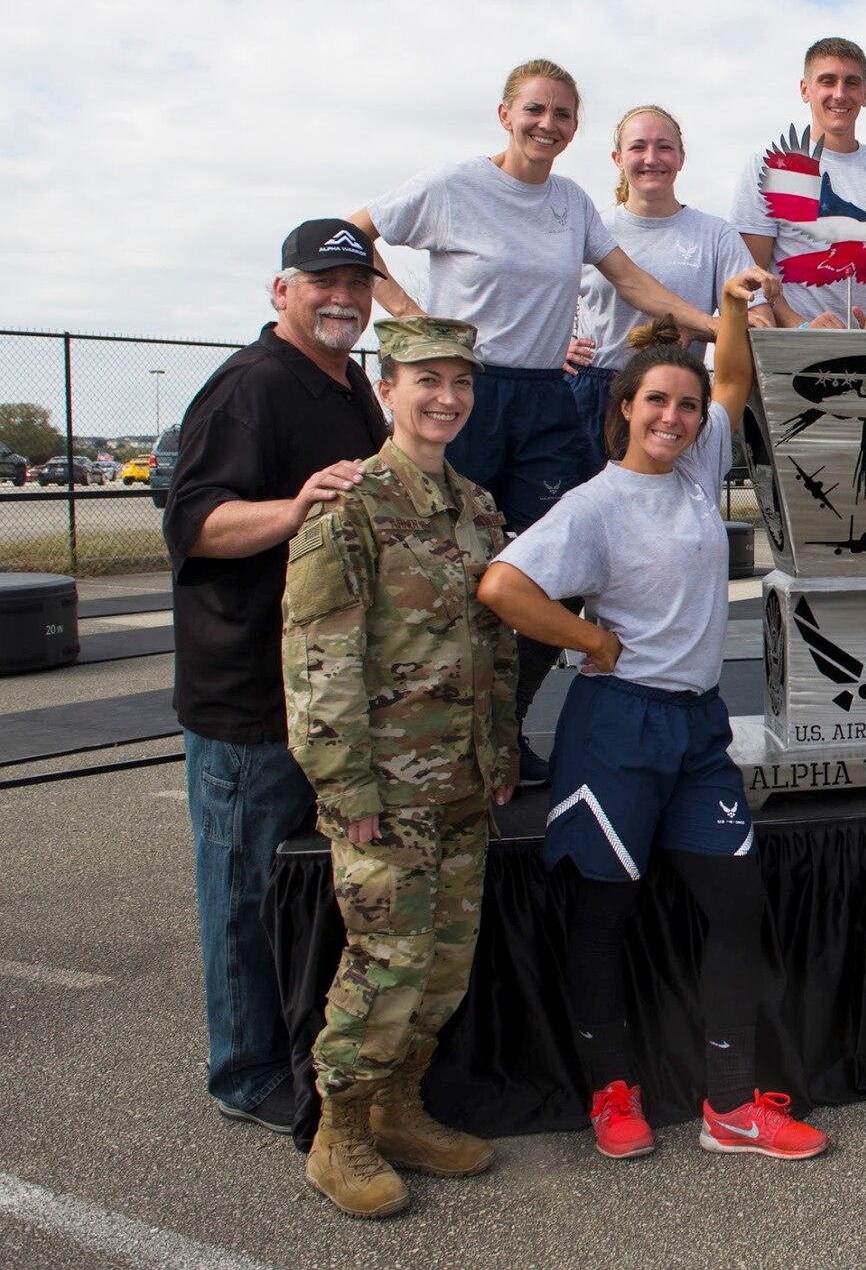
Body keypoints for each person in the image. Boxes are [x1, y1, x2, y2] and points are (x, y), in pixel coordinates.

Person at [477, 267, 831, 1162]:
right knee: (605, 914)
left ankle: (729, 1105)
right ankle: (612, 1093)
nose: (675, 416)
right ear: (624, 408)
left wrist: (737, 308)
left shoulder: (699, 463)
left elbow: (735, 382)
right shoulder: (594, 504)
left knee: (736, 902)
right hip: (616, 726)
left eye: (684, 403)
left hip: (696, 726)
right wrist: (588, 644)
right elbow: (502, 585)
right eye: (656, 402)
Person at [346, 59, 719, 789]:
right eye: (534, 110)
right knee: (442, 573)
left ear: (576, 128)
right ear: (505, 114)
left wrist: (718, 323)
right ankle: (426, 738)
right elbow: (350, 235)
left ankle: (504, 727)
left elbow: (633, 283)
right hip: (472, 395)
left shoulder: (572, 202)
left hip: (547, 398)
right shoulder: (453, 185)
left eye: (562, 115)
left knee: (556, 575)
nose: (547, 125)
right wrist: (414, 319)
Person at [282, 316, 518, 1217]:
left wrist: (497, 752)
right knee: (385, 962)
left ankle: (397, 1108)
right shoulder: (348, 510)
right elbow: (317, 662)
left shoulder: (478, 508)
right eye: (427, 380)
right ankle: (337, 1133)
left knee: (445, 968)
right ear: (388, 388)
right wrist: (344, 786)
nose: (445, 398)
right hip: (384, 792)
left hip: (461, 783)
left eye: (460, 382)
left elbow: (494, 645)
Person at [164, 218, 390, 1135]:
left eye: (357, 282)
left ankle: (290, 1045)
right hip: (247, 699)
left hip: (327, 695)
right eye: (323, 281)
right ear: (280, 289)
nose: (343, 297)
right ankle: (244, 1068)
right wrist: (296, 507)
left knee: (301, 889)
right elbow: (196, 524)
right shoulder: (249, 387)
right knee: (243, 891)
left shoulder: (350, 388)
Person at [570, 104, 762, 462]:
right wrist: (554, 352)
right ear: (617, 158)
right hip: (595, 395)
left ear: (681, 158)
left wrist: (698, 330)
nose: (651, 158)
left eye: (664, 147)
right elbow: (543, 302)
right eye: (638, 147)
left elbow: (757, 322)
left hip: (674, 401)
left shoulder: (714, 235)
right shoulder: (590, 229)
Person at [730, 36, 866, 327]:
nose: (840, 93)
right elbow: (752, 273)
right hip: (794, 355)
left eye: (852, 83)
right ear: (805, 89)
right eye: (827, 81)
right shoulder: (769, 166)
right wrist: (801, 328)